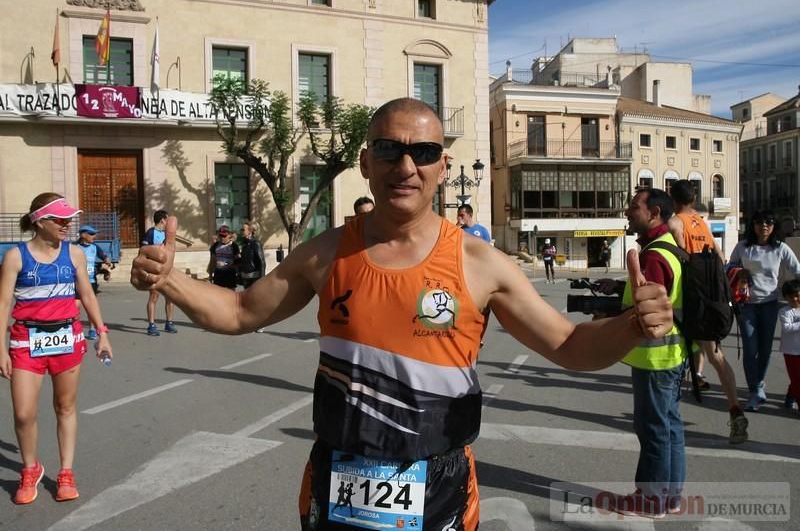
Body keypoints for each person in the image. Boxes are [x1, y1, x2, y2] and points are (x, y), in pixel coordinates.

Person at [130, 97, 672, 530]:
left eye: (424, 152)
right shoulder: (325, 254)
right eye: (388, 149)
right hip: (336, 475)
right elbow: (241, 311)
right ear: (366, 163)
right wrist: (169, 279)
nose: (405, 166)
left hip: (439, 485)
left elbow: (568, 346)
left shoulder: (482, 264)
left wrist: (630, 324)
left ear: (443, 165)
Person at [0, 193, 113, 504]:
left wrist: (101, 333)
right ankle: (30, 468)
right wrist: (0, 348)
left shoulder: (75, 254)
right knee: (24, 413)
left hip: (67, 338)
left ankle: (65, 472)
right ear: (39, 221)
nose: (66, 225)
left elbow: (88, 296)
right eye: (59, 219)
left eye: (68, 219)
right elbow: (3, 304)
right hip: (25, 341)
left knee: (65, 407)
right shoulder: (15, 257)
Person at [598, 188, 689, 519]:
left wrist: (605, 321)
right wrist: (616, 286)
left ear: (654, 214)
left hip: (655, 358)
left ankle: (651, 499)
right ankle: (672, 495)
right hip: (675, 353)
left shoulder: (652, 256)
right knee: (670, 427)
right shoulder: (670, 250)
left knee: (653, 429)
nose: (627, 211)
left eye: (634, 207)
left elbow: (645, 311)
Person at [668, 179, 748, 444]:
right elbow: (721, 256)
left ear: (673, 197)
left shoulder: (676, 222)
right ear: (693, 198)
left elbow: (681, 258)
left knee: (676, 356)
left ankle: (668, 420)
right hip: (713, 297)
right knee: (715, 355)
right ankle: (735, 411)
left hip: (691, 299)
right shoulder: (701, 222)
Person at [730, 210, 800, 411]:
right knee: (750, 350)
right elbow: (730, 268)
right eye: (760, 222)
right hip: (746, 304)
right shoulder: (743, 247)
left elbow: (797, 269)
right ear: (753, 226)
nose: (764, 226)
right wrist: (739, 273)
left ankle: (759, 382)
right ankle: (755, 391)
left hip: (770, 304)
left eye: (769, 223)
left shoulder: (780, 248)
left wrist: (793, 292)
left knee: (766, 349)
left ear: (774, 226)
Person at [142, 210, 177, 336]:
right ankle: (151, 325)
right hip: (155, 270)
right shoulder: (150, 233)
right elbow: (144, 251)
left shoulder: (167, 234)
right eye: (167, 219)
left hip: (168, 270)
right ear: (163, 220)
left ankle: (169, 322)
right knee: (154, 297)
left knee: (170, 298)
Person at [73, 225, 112, 341]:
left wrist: (107, 264)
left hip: (91, 281)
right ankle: (75, 330)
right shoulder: (74, 247)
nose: (94, 236)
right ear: (83, 235)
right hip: (76, 282)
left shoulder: (95, 247)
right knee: (75, 307)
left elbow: (106, 258)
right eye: (91, 234)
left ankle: (91, 329)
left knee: (90, 307)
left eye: (95, 234)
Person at [778, 279, 800, 415]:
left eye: (798, 295)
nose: (796, 299)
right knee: (797, 378)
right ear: (786, 298)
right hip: (791, 351)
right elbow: (787, 328)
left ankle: (790, 396)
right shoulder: (785, 311)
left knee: (797, 378)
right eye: (792, 297)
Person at [208, 226, 240, 290]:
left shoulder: (234, 246)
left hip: (230, 274)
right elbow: (212, 261)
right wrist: (210, 276)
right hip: (218, 275)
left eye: (224, 236)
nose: (222, 238)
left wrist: (226, 264)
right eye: (220, 236)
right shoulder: (215, 245)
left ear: (229, 235)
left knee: (230, 296)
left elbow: (237, 262)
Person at [238, 222, 266, 289]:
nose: (241, 231)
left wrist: (262, 280)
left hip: (254, 278)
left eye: (243, 229)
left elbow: (261, 262)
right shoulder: (244, 244)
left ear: (250, 231)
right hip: (245, 277)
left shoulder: (256, 243)